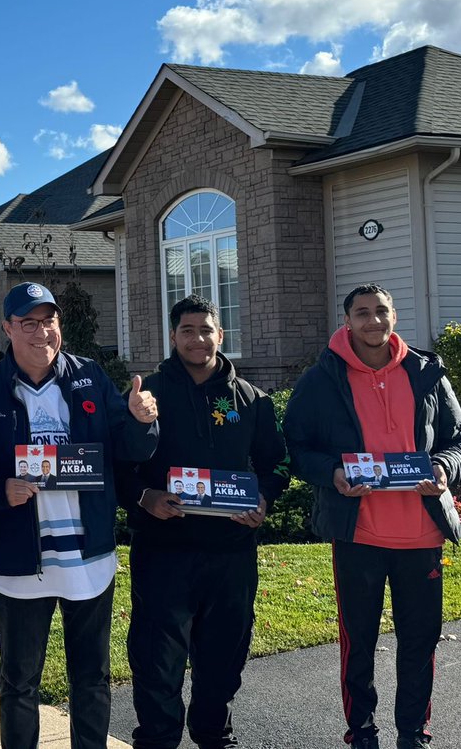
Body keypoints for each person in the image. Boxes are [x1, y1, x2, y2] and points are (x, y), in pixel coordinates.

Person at [0, 281, 159, 749]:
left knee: (91, 679)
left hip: (87, 559)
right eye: (28, 322)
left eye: (48, 320)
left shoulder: (89, 376)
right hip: (17, 561)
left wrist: (141, 420)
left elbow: (127, 451)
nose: (41, 332)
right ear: (7, 328)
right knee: (19, 683)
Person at [284, 283, 461, 749]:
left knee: (420, 642)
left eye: (381, 311)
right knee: (358, 643)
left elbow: (460, 439)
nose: (373, 321)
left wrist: (445, 468)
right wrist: (332, 474)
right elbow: (298, 446)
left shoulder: (427, 372)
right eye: (362, 313)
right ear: (346, 321)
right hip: (358, 533)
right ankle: (362, 732)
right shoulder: (321, 378)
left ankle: (413, 732)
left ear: (394, 317)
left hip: (421, 532)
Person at [117, 294, 288, 749]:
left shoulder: (251, 400)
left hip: (230, 551)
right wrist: (145, 496)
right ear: (173, 336)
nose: (197, 338)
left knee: (224, 653)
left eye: (206, 329)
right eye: (187, 330)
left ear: (221, 334)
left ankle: (215, 734)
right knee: (157, 656)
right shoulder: (147, 394)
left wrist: (265, 499)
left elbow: (277, 464)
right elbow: (117, 466)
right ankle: (157, 738)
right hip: (163, 548)